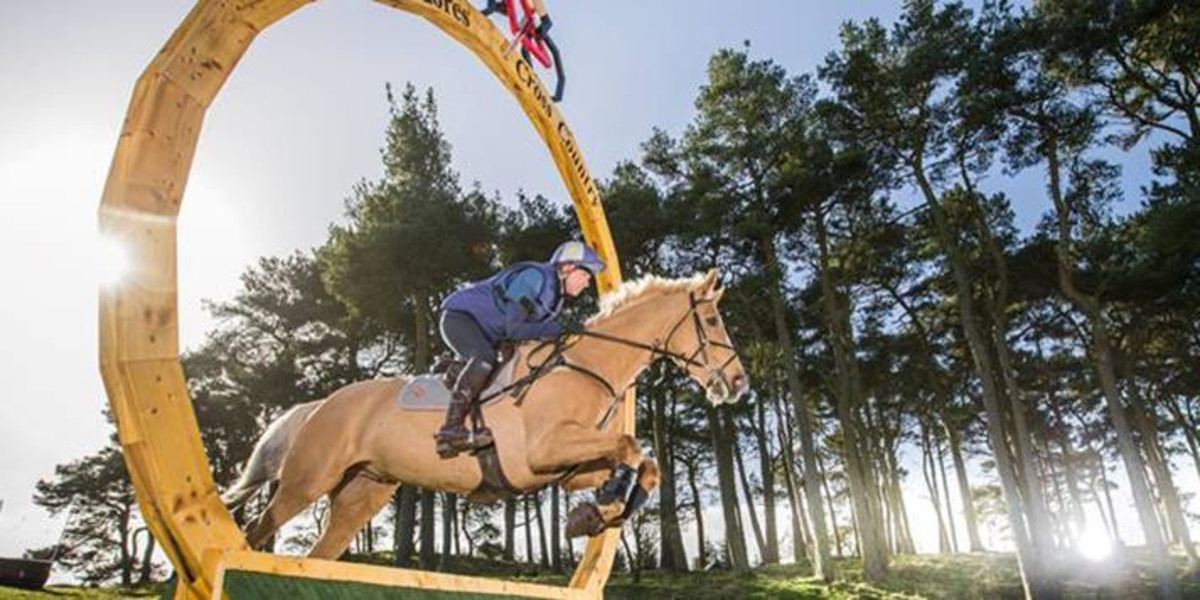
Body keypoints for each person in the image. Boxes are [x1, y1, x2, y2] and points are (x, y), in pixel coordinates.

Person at [434, 240, 606, 457]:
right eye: (585, 274)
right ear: (568, 267)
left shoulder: (555, 298)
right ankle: (450, 432)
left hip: (486, 332)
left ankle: (457, 373)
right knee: (484, 360)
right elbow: (515, 330)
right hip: (460, 318)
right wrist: (559, 328)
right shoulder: (534, 278)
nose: (587, 282)